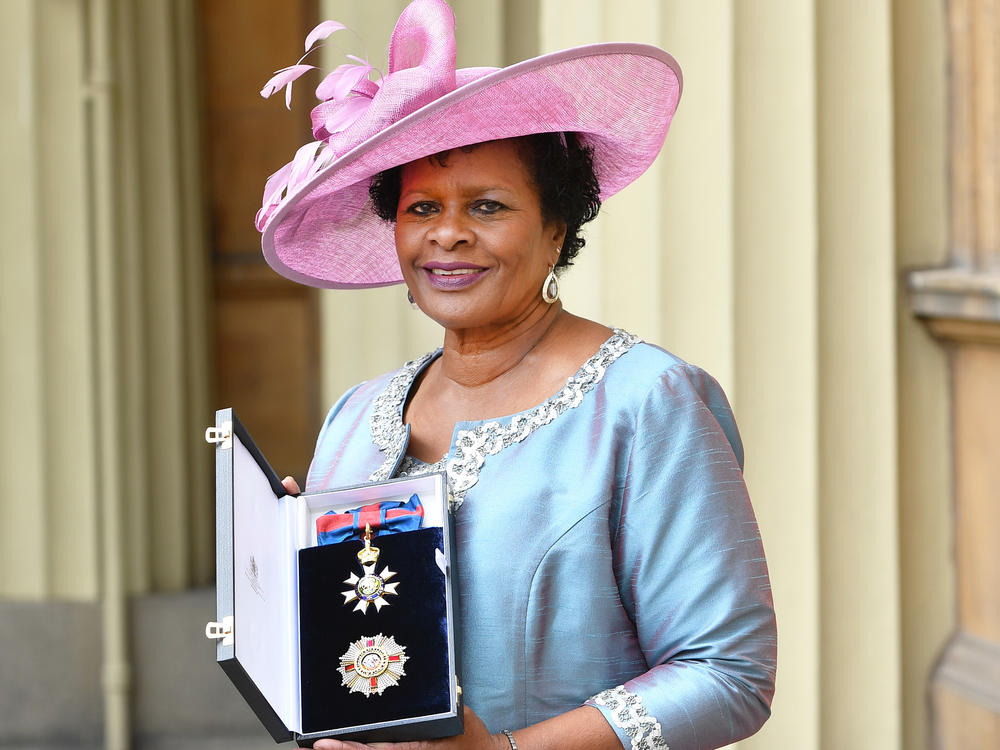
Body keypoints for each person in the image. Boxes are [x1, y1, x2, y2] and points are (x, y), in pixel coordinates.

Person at [259, 2, 776, 748]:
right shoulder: (355, 415)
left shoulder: (646, 401)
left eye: (489, 206)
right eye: (422, 207)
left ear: (555, 230)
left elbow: (728, 674)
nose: (448, 232)